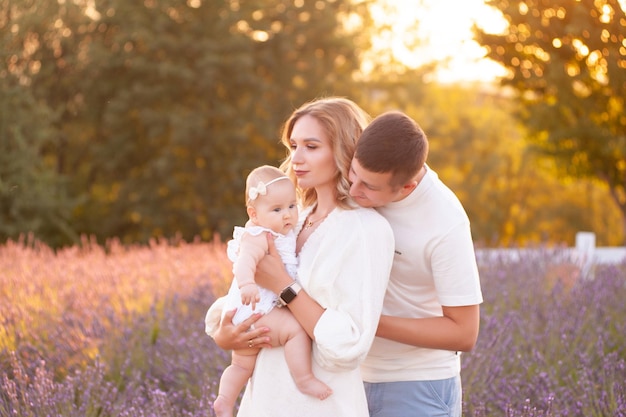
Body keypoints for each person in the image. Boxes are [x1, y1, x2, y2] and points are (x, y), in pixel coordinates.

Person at [206, 97, 395, 416]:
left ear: (342, 150)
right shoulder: (290, 219)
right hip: (264, 400)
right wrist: (226, 334)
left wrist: (284, 285)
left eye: (311, 146)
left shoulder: (365, 229)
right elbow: (247, 294)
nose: (296, 158)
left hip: (319, 405)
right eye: (293, 146)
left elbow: (349, 345)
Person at [349, 111, 483, 417]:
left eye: (368, 186)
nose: (354, 190)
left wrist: (366, 321)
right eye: (352, 173)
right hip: (350, 378)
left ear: (406, 187)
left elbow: (464, 333)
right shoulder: (360, 183)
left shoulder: (446, 221)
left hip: (417, 385)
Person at [212, 164, 332, 417]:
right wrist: (246, 284)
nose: (287, 214)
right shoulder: (260, 235)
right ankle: (304, 378)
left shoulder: (283, 231)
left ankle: (225, 399)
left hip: (248, 313)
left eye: (291, 205)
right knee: (295, 330)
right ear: (254, 214)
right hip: (258, 307)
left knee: (241, 365)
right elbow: (245, 262)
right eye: (276, 209)